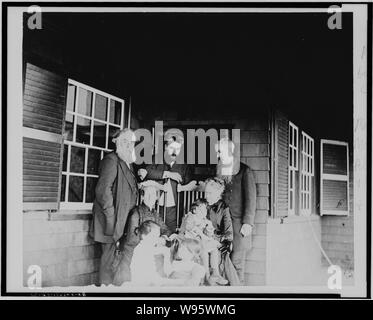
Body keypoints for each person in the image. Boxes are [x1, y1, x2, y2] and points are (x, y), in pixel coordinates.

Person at [89, 128, 139, 285]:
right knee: (108, 261)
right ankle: (105, 290)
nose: (129, 145)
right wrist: (111, 218)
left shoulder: (127, 163)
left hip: (122, 221)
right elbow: (103, 191)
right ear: (116, 142)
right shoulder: (111, 160)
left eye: (131, 142)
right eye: (124, 141)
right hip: (110, 222)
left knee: (116, 262)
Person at [214, 137, 257, 284]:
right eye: (218, 151)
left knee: (237, 264)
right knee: (224, 264)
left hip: (239, 226)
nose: (219, 154)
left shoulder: (245, 171)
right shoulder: (220, 170)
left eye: (221, 151)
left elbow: (251, 200)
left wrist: (248, 223)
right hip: (223, 225)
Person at [112, 183, 171, 285]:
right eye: (147, 194)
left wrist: (163, 238)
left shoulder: (154, 213)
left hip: (148, 246)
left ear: (157, 198)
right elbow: (131, 239)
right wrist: (154, 242)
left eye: (153, 195)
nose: (150, 197)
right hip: (133, 250)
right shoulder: (136, 213)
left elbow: (165, 229)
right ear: (142, 196)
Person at [138, 129, 193, 233]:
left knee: (170, 234)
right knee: (152, 232)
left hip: (173, 209)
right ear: (165, 147)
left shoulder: (184, 165)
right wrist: (168, 174)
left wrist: (186, 186)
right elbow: (147, 172)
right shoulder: (156, 158)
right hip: (154, 205)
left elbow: (188, 183)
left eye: (178, 149)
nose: (174, 152)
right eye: (172, 148)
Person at [178, 199, 228, 285]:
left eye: (205, 210)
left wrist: (209, 228)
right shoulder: (190, 217)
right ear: (194, 210)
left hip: (199, 241)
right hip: (188, 241)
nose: (203, 212)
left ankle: (215, 273)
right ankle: (207, 276)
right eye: (201, 209)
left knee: (214, 250)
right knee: (204, 251)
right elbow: (191, 228)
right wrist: (201, 231)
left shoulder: (204, 220)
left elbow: (207, 235)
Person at [204, 177, 241, 286]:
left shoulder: (224, 209)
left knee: (219, 253)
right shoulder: (203, 205)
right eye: (205, 193)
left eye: (209, 193)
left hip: (218, 241)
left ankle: (215, 278)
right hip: (202, 238)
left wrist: (216, 238)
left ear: (218, 193)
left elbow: (228, 233)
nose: (206, 196)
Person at [129, 220, 173, 286]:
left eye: (158, 236)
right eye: (154, 236)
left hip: (148, 280)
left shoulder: (147, 247)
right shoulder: (141, 250)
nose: (157, 239)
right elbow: (149, 277)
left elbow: (161, 250)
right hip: (142, 283)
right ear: (144, 236)